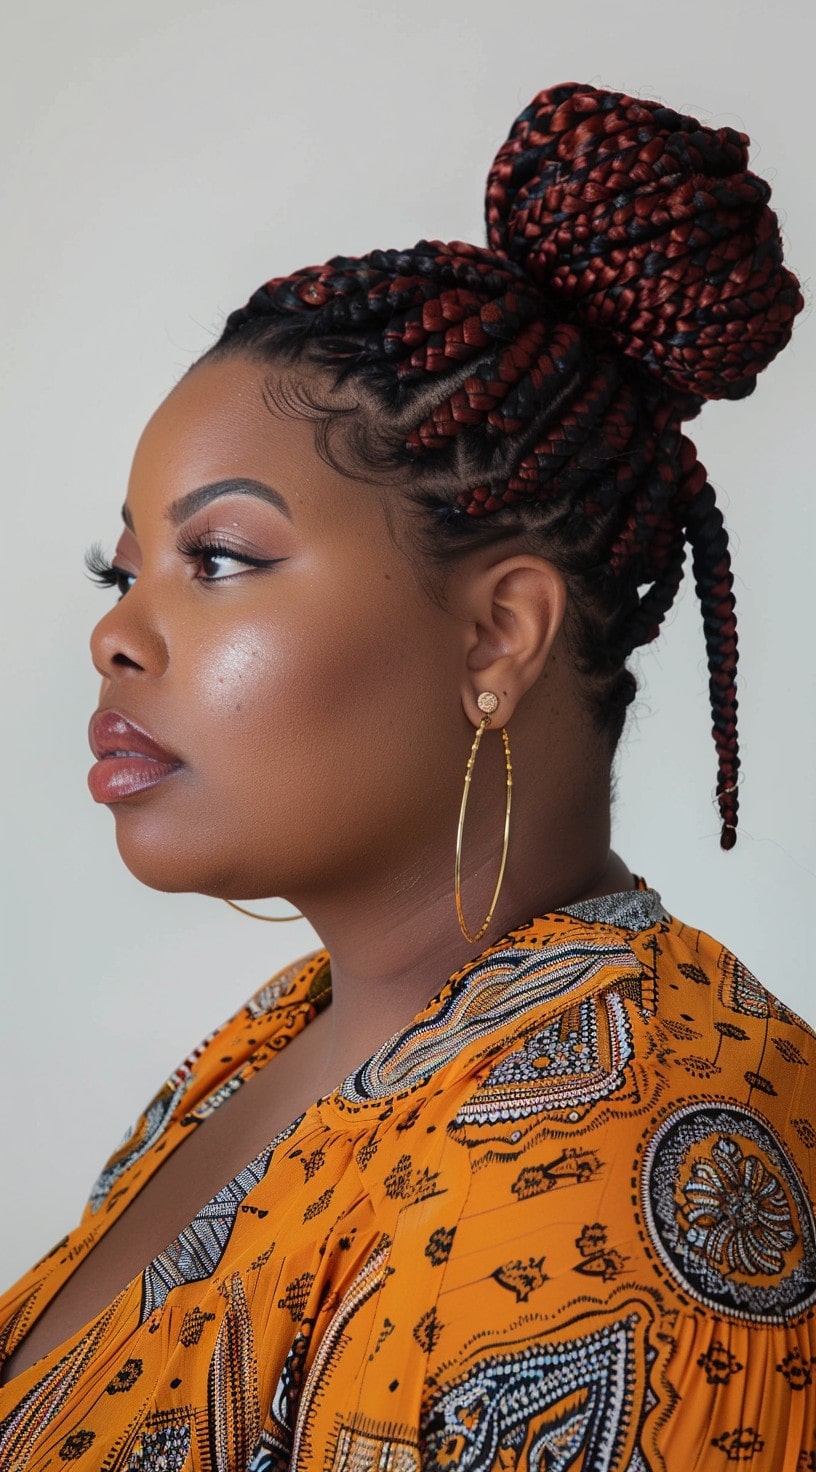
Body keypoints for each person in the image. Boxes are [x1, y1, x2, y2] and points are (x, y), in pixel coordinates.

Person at [0, 78, 813, 1471]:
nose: (115, 632)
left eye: (221, 561)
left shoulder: (627, 1186)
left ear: (498, 634)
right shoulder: (285, 1039)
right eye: (120, 567)